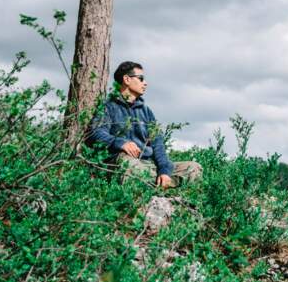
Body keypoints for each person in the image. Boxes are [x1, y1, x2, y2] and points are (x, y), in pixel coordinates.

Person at [86, 60, 202, 188]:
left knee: (194, 167)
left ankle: (161, 183)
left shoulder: (146, 112)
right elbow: (96, 133)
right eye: (141, 78)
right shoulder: (109, 106)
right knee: (130, 166)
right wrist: (120, 143)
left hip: (148, 165)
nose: (145, 83)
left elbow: (158, 145)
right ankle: (162, 187)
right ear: (126, 79)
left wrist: (164, 171)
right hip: (123, 163)